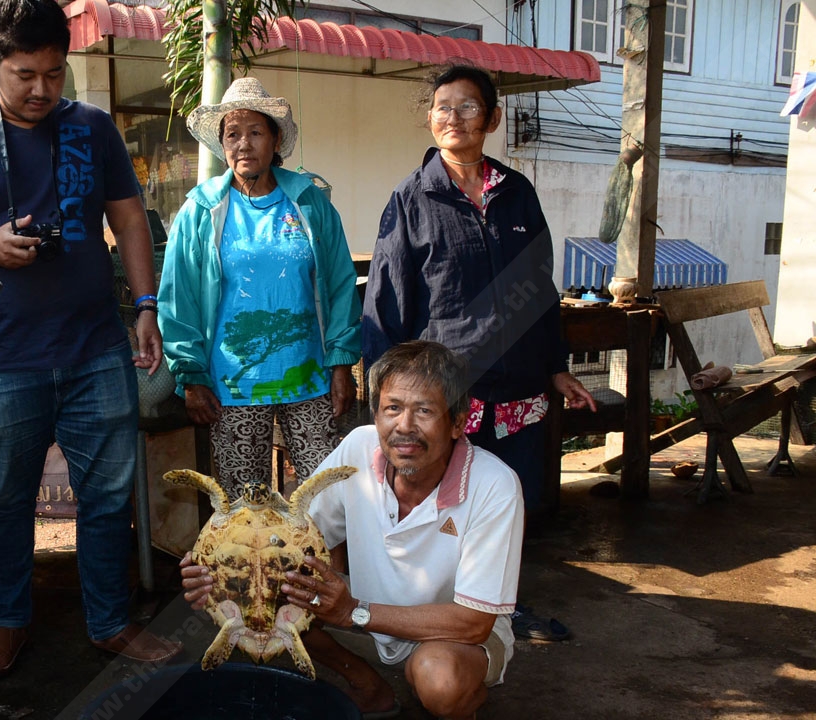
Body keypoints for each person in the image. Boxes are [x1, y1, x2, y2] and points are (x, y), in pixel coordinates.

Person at [0, 0, 179, 677]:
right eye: (24, 74)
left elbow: (131, 221)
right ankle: (7, 624)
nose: (40, 91)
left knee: (110, 498)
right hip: (0, 356)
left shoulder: (92, 127)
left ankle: (111, 622)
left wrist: (146, 306)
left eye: (55, 75)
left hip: (96, 348)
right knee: (7, 501)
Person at [362, 64, 596, 641]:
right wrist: (384, 394)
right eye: (443, 106)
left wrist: (557, 366)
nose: (453, 117)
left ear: (491, 118)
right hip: (447, 395)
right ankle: (439, 615)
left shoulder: (517, 194)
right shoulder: (412, 199)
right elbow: (385, 301)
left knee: (508, 499)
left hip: (517, 386)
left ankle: (501, 613)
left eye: (468, 107)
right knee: (446, 504)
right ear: (430, 117)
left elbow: (540, 288)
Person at [182, 341, 524, 720]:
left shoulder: (495, 485)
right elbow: (288, 538)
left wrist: (354, 612)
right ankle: (367, 684)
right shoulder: (360, 447)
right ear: (376, 414)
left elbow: (473, 622)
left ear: (458, 422)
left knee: (439, 681)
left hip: (449, 635)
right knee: (259, 603)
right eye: (392, 408)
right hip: (363, 611)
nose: (404, 427)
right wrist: (213, 568)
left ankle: (464, 706)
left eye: (424, 411)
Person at [158, 77, 361, 498]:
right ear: (222, 143)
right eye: (233, 134)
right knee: (245, 507)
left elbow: (341, 284)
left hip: (310, 381)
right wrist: (191, 375)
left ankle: (322, 569)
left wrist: (341, 361)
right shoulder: (200, 210)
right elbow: (179, 299)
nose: (244, 144)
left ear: (275, 138)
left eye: (255, 132)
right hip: (231, 387)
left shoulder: (309, 202)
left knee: (325, 499)